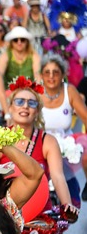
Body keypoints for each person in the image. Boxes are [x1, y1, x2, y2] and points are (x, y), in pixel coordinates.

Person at [0, 76, 79, 234]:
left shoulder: (47, 141)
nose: (25, 106)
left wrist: (67, 206)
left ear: (38, 111)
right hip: (3, 212)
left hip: (39, 213)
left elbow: (57, 176)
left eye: (31, 103)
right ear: (10, 107)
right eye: (20, 101)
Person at [39, 55, 87, 205]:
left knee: (72, 195)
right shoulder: (36, 92)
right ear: (41, 75)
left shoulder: (69, 91)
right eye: (47, 72)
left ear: (63, 75)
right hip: (42, 144)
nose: (51, 76)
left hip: (67, 145)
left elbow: (85, 117)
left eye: (56, 72)